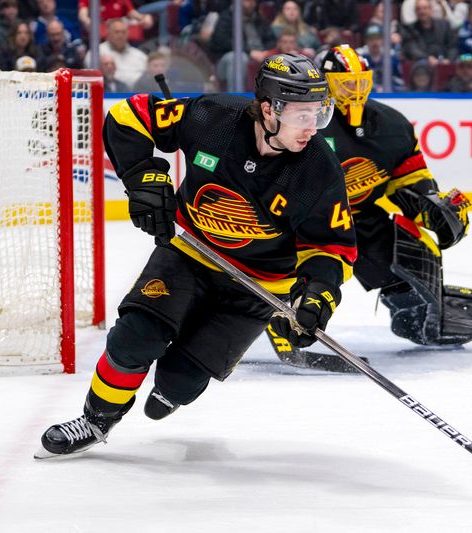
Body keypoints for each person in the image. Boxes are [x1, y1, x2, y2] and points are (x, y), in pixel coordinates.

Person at [36, 53, 356, 457]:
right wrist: (143, 177)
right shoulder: (213, 118)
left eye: (318, 114)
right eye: (301, 115)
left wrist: (318, 294)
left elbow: (331, 246)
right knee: (135, 339)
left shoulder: (319, 169)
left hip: (259, 288)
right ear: (268, 109)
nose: (311, 127)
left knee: (180, 380)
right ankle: (97, 420)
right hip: (189, 254)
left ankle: (174, 388)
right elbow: (128, 116)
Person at [318, 45, 472, 347]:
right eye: (346, 83)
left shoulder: (391, 125)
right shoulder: (305, 124)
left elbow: (410, 182)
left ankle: (415, 316)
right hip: (305, 222)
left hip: (358, 218)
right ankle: (272, 310)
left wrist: (433, 207)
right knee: (310, 272)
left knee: (409, 248)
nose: (355, 90)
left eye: (360, 82)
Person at [401, 0, 458, 66]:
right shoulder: (409, 29)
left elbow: (453, 46)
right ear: (415, 12)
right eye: (418, 9)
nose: (422, 12)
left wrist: (449, 60)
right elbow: (411, 49)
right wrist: (427, 58)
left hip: (444, 63)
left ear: (431, 9)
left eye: (425, 8)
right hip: (422, 65)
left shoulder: (444, 25)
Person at [96, 18, 148, 88]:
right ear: (108, 33)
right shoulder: (97, 52)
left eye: (123, 32)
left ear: (128, 33)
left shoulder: (140, 55)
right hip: (109, 95)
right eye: (116, 32)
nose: (120, 35)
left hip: (139, 94)